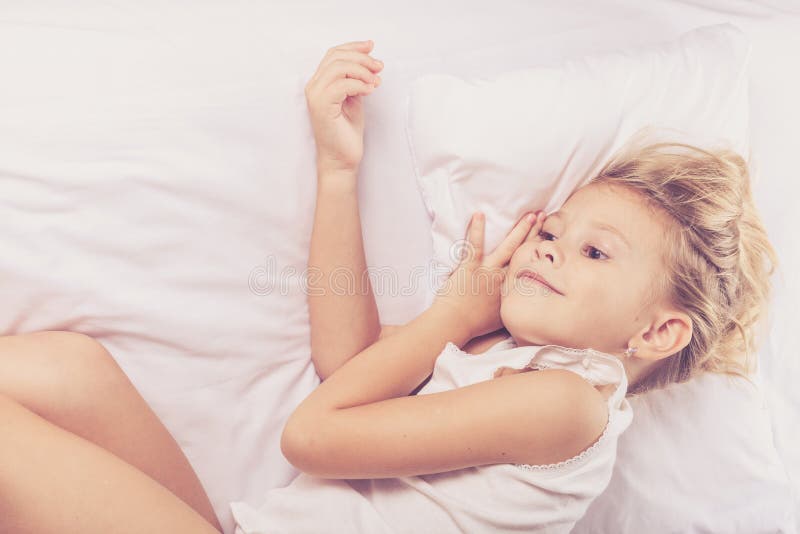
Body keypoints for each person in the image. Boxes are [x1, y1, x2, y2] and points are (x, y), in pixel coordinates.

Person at [0, 39, 776, 534]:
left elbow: (311, 435)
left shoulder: (569, 406)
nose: (546, 250)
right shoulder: (502, 360)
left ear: (658, 332)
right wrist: (338, 171)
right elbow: (346, 362)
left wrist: (446, 311)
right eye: (550, 230)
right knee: (71, 367)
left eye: (594, 253)